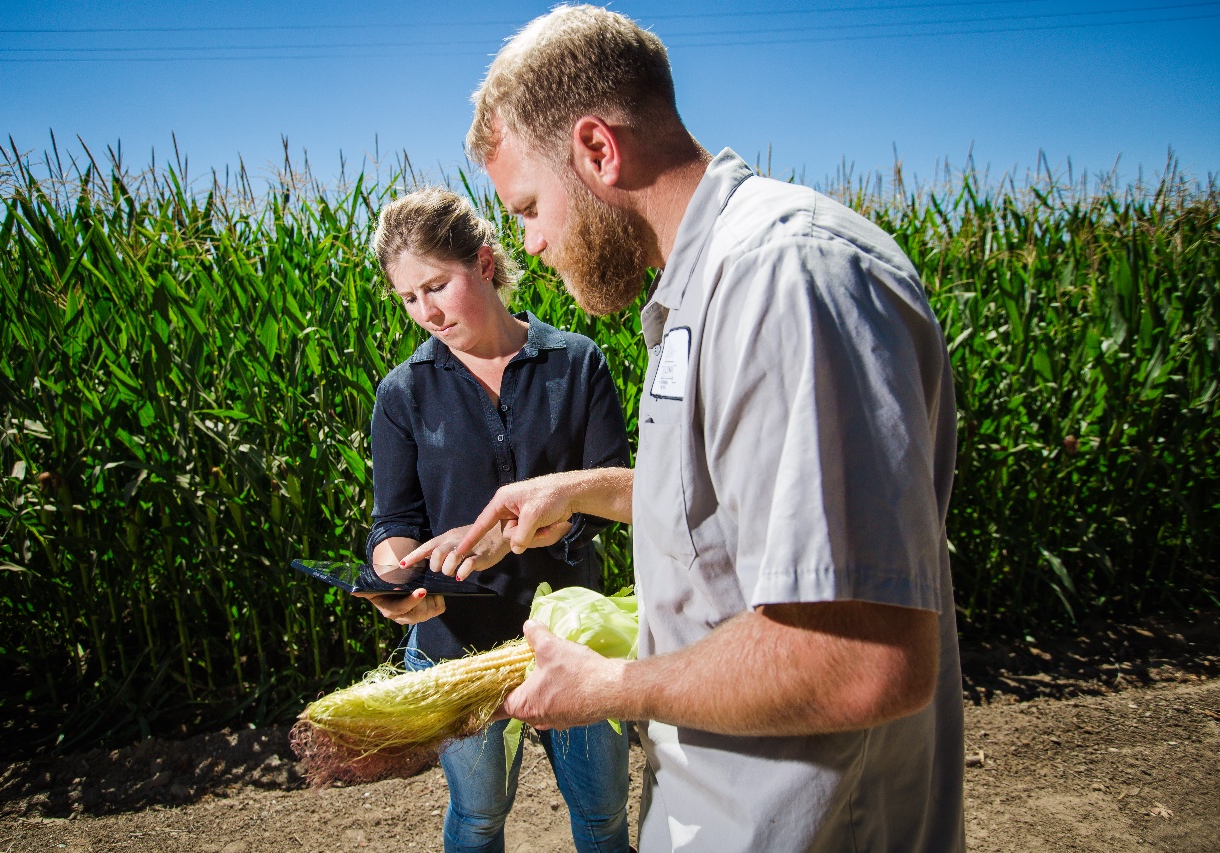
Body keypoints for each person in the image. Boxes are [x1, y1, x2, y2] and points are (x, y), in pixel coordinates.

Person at [411, 6, 966, 852]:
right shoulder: (697, 295)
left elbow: (863, 658)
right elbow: (749, 502)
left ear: (598, 150)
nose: (535, 244)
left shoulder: (783, 277)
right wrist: (579, 491)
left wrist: (609, 684)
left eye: (527, 208)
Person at [360, 186, 633, 853]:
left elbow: (615, 495)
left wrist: (508, 537)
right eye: (407, 297)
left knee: (600, 814)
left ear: (483, 264)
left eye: (436, 285)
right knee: (478, 814)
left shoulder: (578, 364)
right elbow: (393, 519)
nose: (424, 311)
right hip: (460, 646)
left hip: (570, 635)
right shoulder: (402, 393)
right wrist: (396, 572)